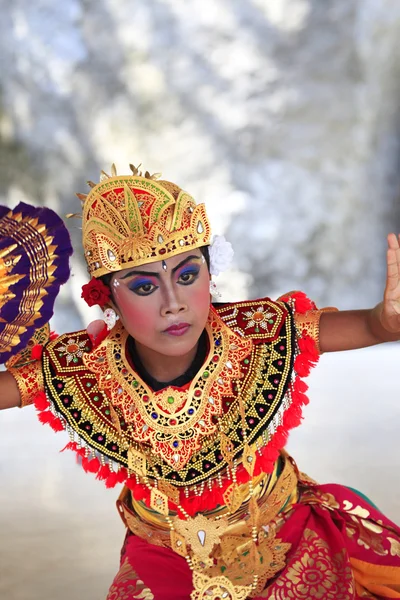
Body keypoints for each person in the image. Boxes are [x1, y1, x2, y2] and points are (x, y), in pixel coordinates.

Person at [1, 164, 400, 600]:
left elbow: (374, 328)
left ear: (210, 275)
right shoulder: (82, 366)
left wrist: (386, 320)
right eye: (144, 287)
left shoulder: (257, 330)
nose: (173, 304)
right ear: (106, 297)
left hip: (281, 528)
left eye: (187, 277)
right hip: (163, 551)